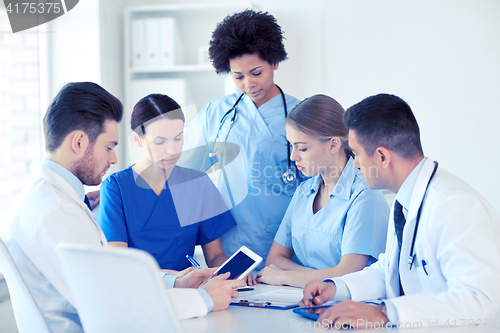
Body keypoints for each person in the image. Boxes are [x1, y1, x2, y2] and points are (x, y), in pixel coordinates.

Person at [1, 82, 244, 332]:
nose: (114, 158)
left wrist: (175, 281)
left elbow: (110, 279)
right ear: (78, 142)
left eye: (178, 138)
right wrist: (202, 299)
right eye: (109, 147)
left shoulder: (47, 199)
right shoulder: (56, 212)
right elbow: (111, 301)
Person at [300, 93, 500, 328]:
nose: (354, 163)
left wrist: (386, 313)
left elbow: (481, 300)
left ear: (382, 156)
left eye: (356, 154)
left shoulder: (455, 206)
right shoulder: (405, 199)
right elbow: (390, 271)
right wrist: (335, 287)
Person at [181, 9, 302, 275]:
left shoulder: (301, 115)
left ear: (274, 62)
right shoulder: (216, 113)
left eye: (256, 72)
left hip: (287, 245)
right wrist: (130, 185)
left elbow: (319, 185)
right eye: (238, 77)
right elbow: (181, 170)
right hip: (228, 245)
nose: (249, 83)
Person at [255, 95, 389, 288]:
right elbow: (274, 260)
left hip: (351, 307)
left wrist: (286, 277)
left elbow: (349, 274)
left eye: (302, 148)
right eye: (291, 146)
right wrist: (321, 276)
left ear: (333, 145)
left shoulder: (364, 194)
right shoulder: (304, 191)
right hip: (302, 299)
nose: (293, 157)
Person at [96, 94, 236, 274]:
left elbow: (215, 256)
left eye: (178, 138)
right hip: (138, 292)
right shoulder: (116, 187)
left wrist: (234, 270)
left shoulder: (198, 184)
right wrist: (176, 278)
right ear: (137, 140)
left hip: (189, 294)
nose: (172, 150)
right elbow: (118, 261)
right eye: (160, 141)